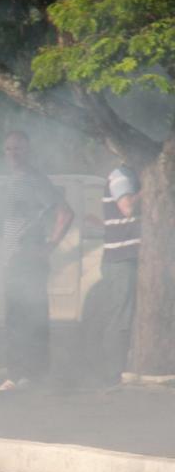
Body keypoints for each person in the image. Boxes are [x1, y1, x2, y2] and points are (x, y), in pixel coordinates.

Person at [0, 130, 74, 391]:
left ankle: (26, 374)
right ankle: (23, 374)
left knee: (29, 316)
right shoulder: (12, 180)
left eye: (18, 149)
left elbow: (65, 212)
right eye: (9, 149)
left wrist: (48, 246)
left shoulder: (34, 180)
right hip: (14, 260)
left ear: (28, 151)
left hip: (27, 260)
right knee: (17, 317)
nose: (13, 154)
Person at [80, 165, 142, 384]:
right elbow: (127, 208)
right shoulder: (121, 175)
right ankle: (113, 373)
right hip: (121, 258)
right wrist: (151, 188)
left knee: (125, 314)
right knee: (120, 316)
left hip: (128, 258)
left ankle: (119, 370)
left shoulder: (133, 175)